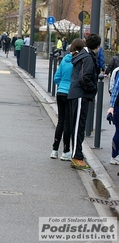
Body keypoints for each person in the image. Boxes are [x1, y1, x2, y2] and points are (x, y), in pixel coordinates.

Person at [67, 33, 101, 170]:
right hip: (81, 94)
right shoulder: (87, 58)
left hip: (76, 93)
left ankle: (76, 153)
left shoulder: (82, 55)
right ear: (97, 47)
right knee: (78, 126)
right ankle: (76, 156)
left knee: (77, 125)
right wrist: (93, 89)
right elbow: (85, 77)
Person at [50, 38, 85, 161]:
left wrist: (62, 85)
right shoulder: (79, 62)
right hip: (71, 94)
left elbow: (56, 78)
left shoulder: (64, 60)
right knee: (68, 123)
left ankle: (54, 150)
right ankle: (66, 151)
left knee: (60, 121)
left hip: (60, 92)